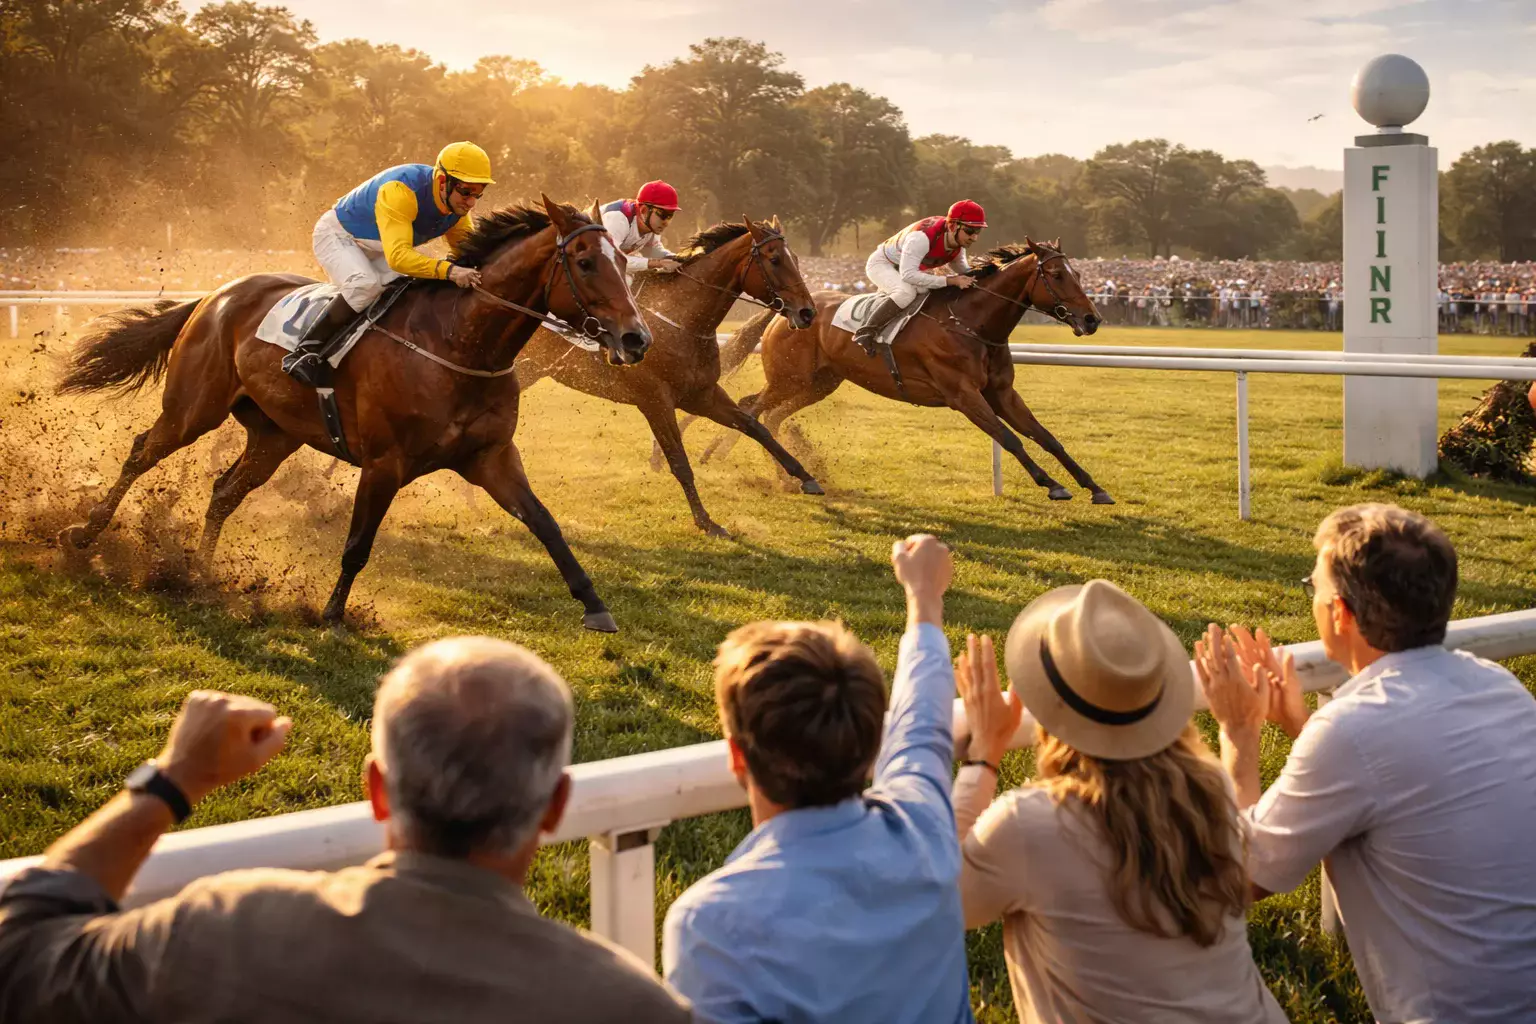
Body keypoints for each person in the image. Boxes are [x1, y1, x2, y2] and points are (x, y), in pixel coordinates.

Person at [0, 637, 693, 1024]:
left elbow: (19, 953)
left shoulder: (224, 925)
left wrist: (173, 780)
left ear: (377, 792)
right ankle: (312, 364)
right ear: (554, 804)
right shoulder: (635, 1007)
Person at [1195, 504, 1536, 1023]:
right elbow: (1402, 785)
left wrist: (1239, 733)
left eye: (1313, 584)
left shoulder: (1354, 729)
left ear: (1340, 613)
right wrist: (1301, 729)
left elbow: (1240, 879)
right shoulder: (1497, 686)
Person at [662, 534, 974, 1023]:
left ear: (737, 759)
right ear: (874, 746)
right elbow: (922, 720)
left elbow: (920, 725)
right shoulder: (924, 829)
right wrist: (924, 598)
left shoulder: (712, 924)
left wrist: (925, 600)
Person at [953, 580, 1287, 1023]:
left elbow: (935, 897)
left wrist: (982, 759)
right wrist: (1240, 735)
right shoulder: (1208, 790)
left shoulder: (1030, 825)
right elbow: (1246, 862)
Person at [282, 142, 494, 387]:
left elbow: (468, 254)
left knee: (416, 287)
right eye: (466, 191)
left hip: (381, 245)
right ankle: (304, 353)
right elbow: (399, 257)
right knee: (365, 285)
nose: (471, 203)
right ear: (442, 181)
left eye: (478, 193)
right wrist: (450, 270)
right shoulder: (400, 190)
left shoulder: (456, 209)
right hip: (339, 235)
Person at [853, 201, 986, 354]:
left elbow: (965, 271)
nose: (974, 238)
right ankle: (866, 332)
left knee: (925, 290)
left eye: (978, 232)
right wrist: (951, 280)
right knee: (906, 293)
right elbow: (908, 275)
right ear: (954, 226)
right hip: (883, 264)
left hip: (905, 269)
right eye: (970, 231)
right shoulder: (921, 238)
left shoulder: (957, 245)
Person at [601, 181, 683, 278]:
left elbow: (652, 250)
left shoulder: (651, 224)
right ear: (643, 210)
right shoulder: (617, 219)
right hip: (588, 263)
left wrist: (678, 259)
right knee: (627, 279)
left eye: (670, 216)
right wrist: (657, 263)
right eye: (663, 215)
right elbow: (610, 260)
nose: (666, 222)